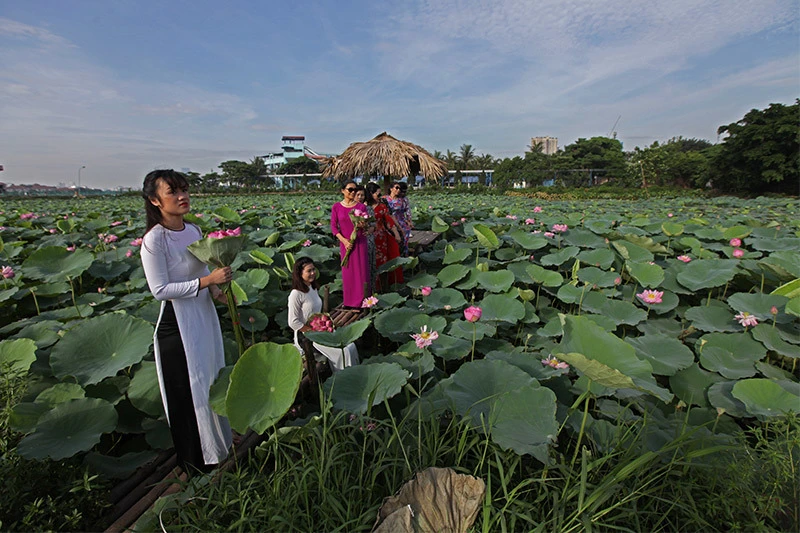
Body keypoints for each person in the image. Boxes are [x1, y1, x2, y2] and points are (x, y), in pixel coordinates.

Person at [140, 170, 233, 472]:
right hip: (177, 325)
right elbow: (160, 290)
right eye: (173, 192)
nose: (182, 197)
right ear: (155, 200)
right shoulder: (154, 240)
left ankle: (218, 449)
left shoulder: (193, 230)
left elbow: (201, 269)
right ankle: (195, 464)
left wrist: (217, 291)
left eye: (184, 189)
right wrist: (207, 282)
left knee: (211, 379)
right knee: (188, 391)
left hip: (203, 314)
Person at [288, 257, 359, 372]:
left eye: (313, 269)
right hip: (306, 336)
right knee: (342, 351)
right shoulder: (296, 294)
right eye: (309, 271)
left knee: (350, 345)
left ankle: (354, 374)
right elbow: (293, 322)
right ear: (299, 274)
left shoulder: (312, 288)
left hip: (320, 330)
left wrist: (324, 327)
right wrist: (312, 332)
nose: (313, 273)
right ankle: (342, 376)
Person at [331, 180, 369, 308]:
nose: (353, 192)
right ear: (343, 191)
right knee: (348, 272)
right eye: (350, 189)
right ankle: (349, 301)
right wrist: (344, 241)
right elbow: (333, 227)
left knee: (361, 272)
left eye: (355, 189)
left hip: (359, 242)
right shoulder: (336, 207)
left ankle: (363, 301)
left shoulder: (361, 207)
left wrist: (363, 225)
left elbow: (367, 226)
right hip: (345, 243)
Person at [365, 182, 403, 289]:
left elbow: (389, 222)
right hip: (367, 237)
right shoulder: (362, 206)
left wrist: (397, 234)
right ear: (371, 193)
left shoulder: (382, 206)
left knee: (382, 262)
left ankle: (382, 286)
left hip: (381, 238)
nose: (380, 196)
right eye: (378, 194)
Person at [385, 181, 412, 256]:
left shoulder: (402, 200)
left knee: (403, 243)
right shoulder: (384, 199)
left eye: (399, 188)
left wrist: (409, 220)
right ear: (391, 189)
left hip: (401, 223)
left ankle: (404, 257)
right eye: (396, 188)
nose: (398, 190)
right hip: (389, 224)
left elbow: (408, 210)